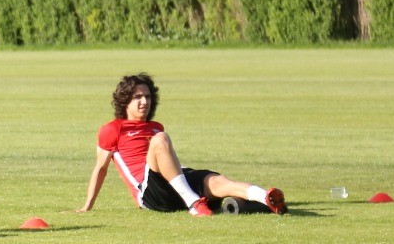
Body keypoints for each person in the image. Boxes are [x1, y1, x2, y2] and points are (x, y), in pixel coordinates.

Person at [78, 73, 287, 216]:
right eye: (138, 97)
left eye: (148, 97)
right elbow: (101, 168)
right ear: (125, 101)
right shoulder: (113, 129)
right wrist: (87, 206)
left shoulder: (155, 126)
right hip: (150, 193)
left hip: (176, 182)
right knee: (161, 139)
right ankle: (195, 204)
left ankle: (266, 199)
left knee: (218, 181)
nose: (145, 102)